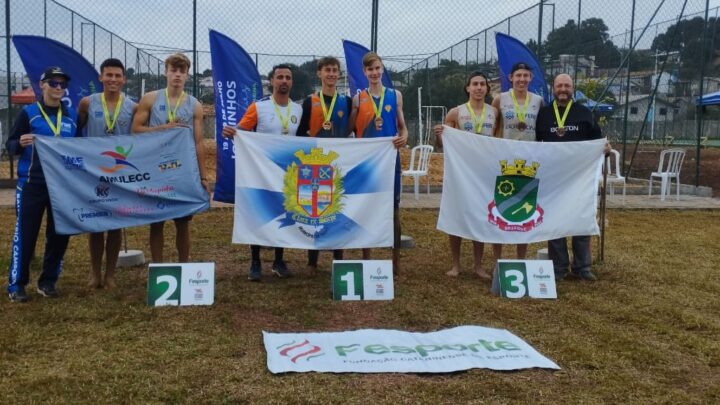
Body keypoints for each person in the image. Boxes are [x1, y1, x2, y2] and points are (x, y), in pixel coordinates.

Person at [222, 64, 302, 281]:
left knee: (283, 213)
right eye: (280, 77)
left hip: (286, 173)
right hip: (261, 171)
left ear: (291, 82)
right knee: (258, 214)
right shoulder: (258, 107)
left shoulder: (298, 110)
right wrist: (231, 132)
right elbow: (242, 130)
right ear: (272, 81)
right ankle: (255, 261)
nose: (284, 81)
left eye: (288, 77)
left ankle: (278, 260)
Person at [6, 66, 79, 302]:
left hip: (62, 186)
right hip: (32, 184)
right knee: (26, 234)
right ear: (42, 85)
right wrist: (20, 143)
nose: (58, 88)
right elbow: (10, 144)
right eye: (54, 83)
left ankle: (48, 281)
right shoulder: (28, 113)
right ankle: (17, 284)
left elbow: (80, 149)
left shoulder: (72, 116)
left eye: (62, 84)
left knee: (59, 235)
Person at [131, 53, 209, 263]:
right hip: (156, 169)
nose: (177, 75)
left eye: (181, 71)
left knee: (182, 223)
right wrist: (165, 128)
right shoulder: (151, 98)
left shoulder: (194, 105)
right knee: (157, 222)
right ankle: (157, 267)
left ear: (187, 75)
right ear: (165, 72)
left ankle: (183, 266)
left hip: (182, 171)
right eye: (173, 70)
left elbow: (198, 142)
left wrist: (203, 177)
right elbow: (136, 130)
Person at [536, 73, 610, 281]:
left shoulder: (584, 113)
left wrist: (605, 148)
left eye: (567, 86)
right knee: (554, 220)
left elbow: (599, 141)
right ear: (553, 88)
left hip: (580, 179)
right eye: (559, 85)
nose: (563, 89)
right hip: (553, 178)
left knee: (581, 219)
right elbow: (535, 145)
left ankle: (582, 267)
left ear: (573, 89)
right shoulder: (544, 114)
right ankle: (559, 268)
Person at [77, 58, 137, 289]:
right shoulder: (86, 103)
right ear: (101, 77)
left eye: (117, 76)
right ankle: (95, 273)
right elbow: (76, 133)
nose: (113, 79)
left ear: (124, 79)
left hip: (119, 173)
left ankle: (110, 274)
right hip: (93, 172)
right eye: (108, 75)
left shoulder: (132, 106)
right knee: (95, 224)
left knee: (115, 224)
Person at [434, 71, 497, 280]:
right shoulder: (455, 113)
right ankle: (456, 264)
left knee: (480, 216)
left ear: (487, 89)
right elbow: (442, 145)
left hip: (483, 173)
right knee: (457, 216)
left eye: (482, 84)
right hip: (460, 173)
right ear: (467, 88)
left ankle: (478, 266)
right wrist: (439, 136)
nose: (479, 88)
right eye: (475, 84)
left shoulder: (494, 113)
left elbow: (498, 141)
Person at [348, 52, 408, 272]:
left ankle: (396, 260)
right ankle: (367, 257)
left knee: (393, 209)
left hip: (390, 159)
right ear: (364, 72)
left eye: (377, 68)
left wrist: (405, 135)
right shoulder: (358, 99)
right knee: (366, 207)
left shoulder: (395, 95)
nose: (374, 73)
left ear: (383, 70)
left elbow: (402, 125)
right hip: (367, 161)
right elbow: (350, 130)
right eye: (369, 69)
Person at [296, 56, 354, 271]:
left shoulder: (346, 102)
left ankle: (338, 258)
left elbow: (351, 130)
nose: (331, 74)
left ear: (339, 74)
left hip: (337, 164)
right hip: (314, 166)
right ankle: (312, 261)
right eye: (327, 70)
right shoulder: (310, 102)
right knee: (315, 212)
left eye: (335, 70)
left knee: (337, 209)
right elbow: (301, 133)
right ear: (319, 73)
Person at [491, 62, 544, 262]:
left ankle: (521, 258)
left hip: (529, 163)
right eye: (518, 75)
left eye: (526, 76)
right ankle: (498, 258)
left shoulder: (538, 101)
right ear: (510, 78)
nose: (522, 79)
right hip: (505, 161)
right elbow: (493, 127)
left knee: (526, 209)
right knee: (501, 207)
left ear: (530, 78)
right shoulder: (500, 99)